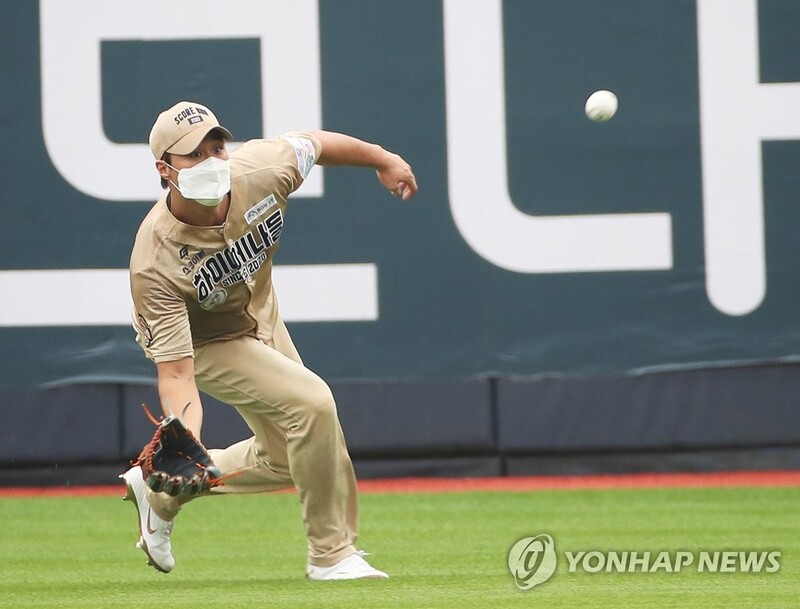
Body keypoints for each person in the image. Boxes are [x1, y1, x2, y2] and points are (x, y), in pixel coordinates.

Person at [120, 100, 417, 580]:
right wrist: (185, 439)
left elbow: (316, 144)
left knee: (290, 454)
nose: (211, 161)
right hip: (205, 342)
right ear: (164, 169)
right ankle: (331, 554)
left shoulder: (260, 169)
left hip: (258, 310)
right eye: (193, 155)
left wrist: (383, 158)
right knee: (314, 403)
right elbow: (177, 375)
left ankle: (158, 493)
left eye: (217, 147)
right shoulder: (155, 260)